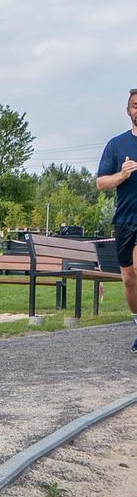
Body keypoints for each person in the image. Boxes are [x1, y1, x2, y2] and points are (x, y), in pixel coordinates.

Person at [96, 88, 137, 354]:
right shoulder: (116, 144)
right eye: (135, 105)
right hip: (124, 220)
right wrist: (121, 175)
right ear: (128, 110)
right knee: (129, 279)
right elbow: (101, 183)